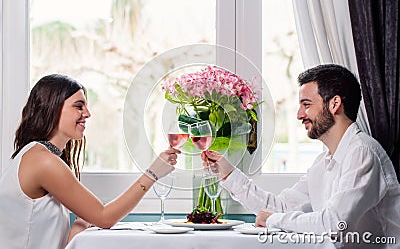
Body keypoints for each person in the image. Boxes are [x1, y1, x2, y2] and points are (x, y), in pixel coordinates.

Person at [202, 64, 400, 248]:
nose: (299, 114)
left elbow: (334, 224)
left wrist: (272, 220)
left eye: (306, 104)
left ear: (334, 104)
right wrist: (228, 174)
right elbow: (281, 207)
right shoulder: (322, 163)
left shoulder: (362, 152)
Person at [0, 74, 180, 249]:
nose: (87, 113)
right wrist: (153, 173)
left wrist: (79, 226)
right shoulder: (43, 161)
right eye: (79, 106)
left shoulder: (37, 155)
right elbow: (104, 217)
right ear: (52, 108)